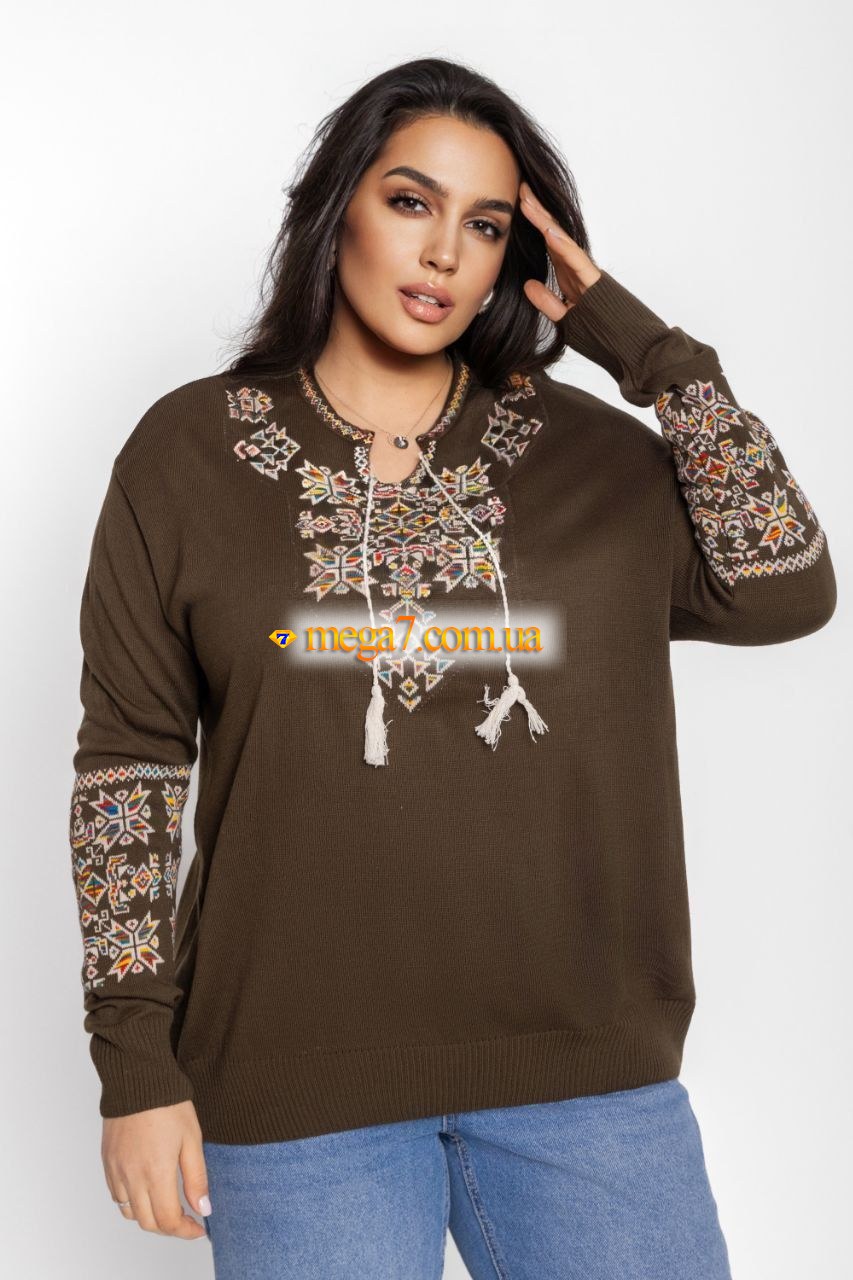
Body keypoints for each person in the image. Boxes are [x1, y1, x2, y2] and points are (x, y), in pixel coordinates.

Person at [67, 56, 836, 1279]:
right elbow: (131, 768)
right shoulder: (186, 455)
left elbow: (784, 583)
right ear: (337, 209)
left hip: (586, 1079)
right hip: (294, 1090)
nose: (441, 253)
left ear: (512, 256)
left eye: (483, 225)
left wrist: (648, 351)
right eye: (409, 202)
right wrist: (136, 1065)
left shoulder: (593, 460)